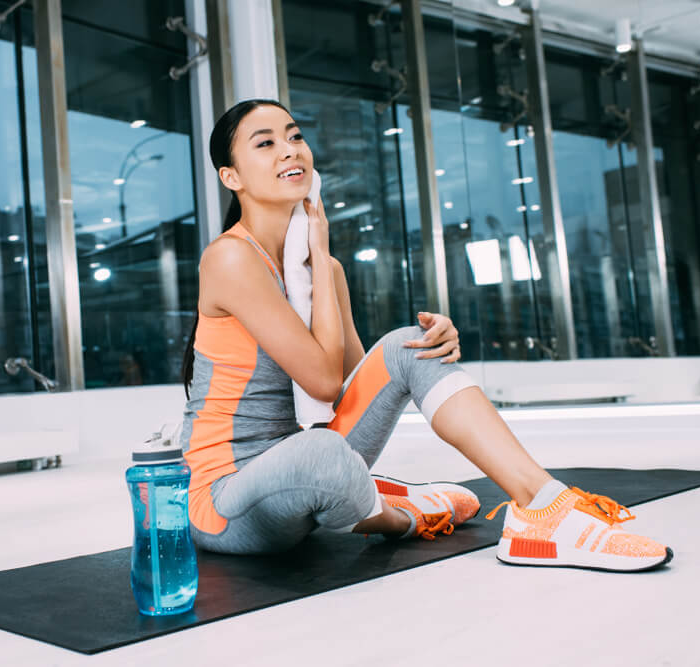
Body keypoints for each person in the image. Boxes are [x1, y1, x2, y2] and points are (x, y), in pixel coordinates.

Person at [179, 98, 672, 572]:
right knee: (323, 456)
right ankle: (405, 514)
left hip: (299, 468)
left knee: (407, 343)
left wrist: (428, 344)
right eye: (265, 144)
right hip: (225, 501)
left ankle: (542, 507)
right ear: (232, 177)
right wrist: (320, 245)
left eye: (295, 136)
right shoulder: (229, 258)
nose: (290, 150)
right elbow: (323, 384)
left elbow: (353, 381)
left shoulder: (323, 268)